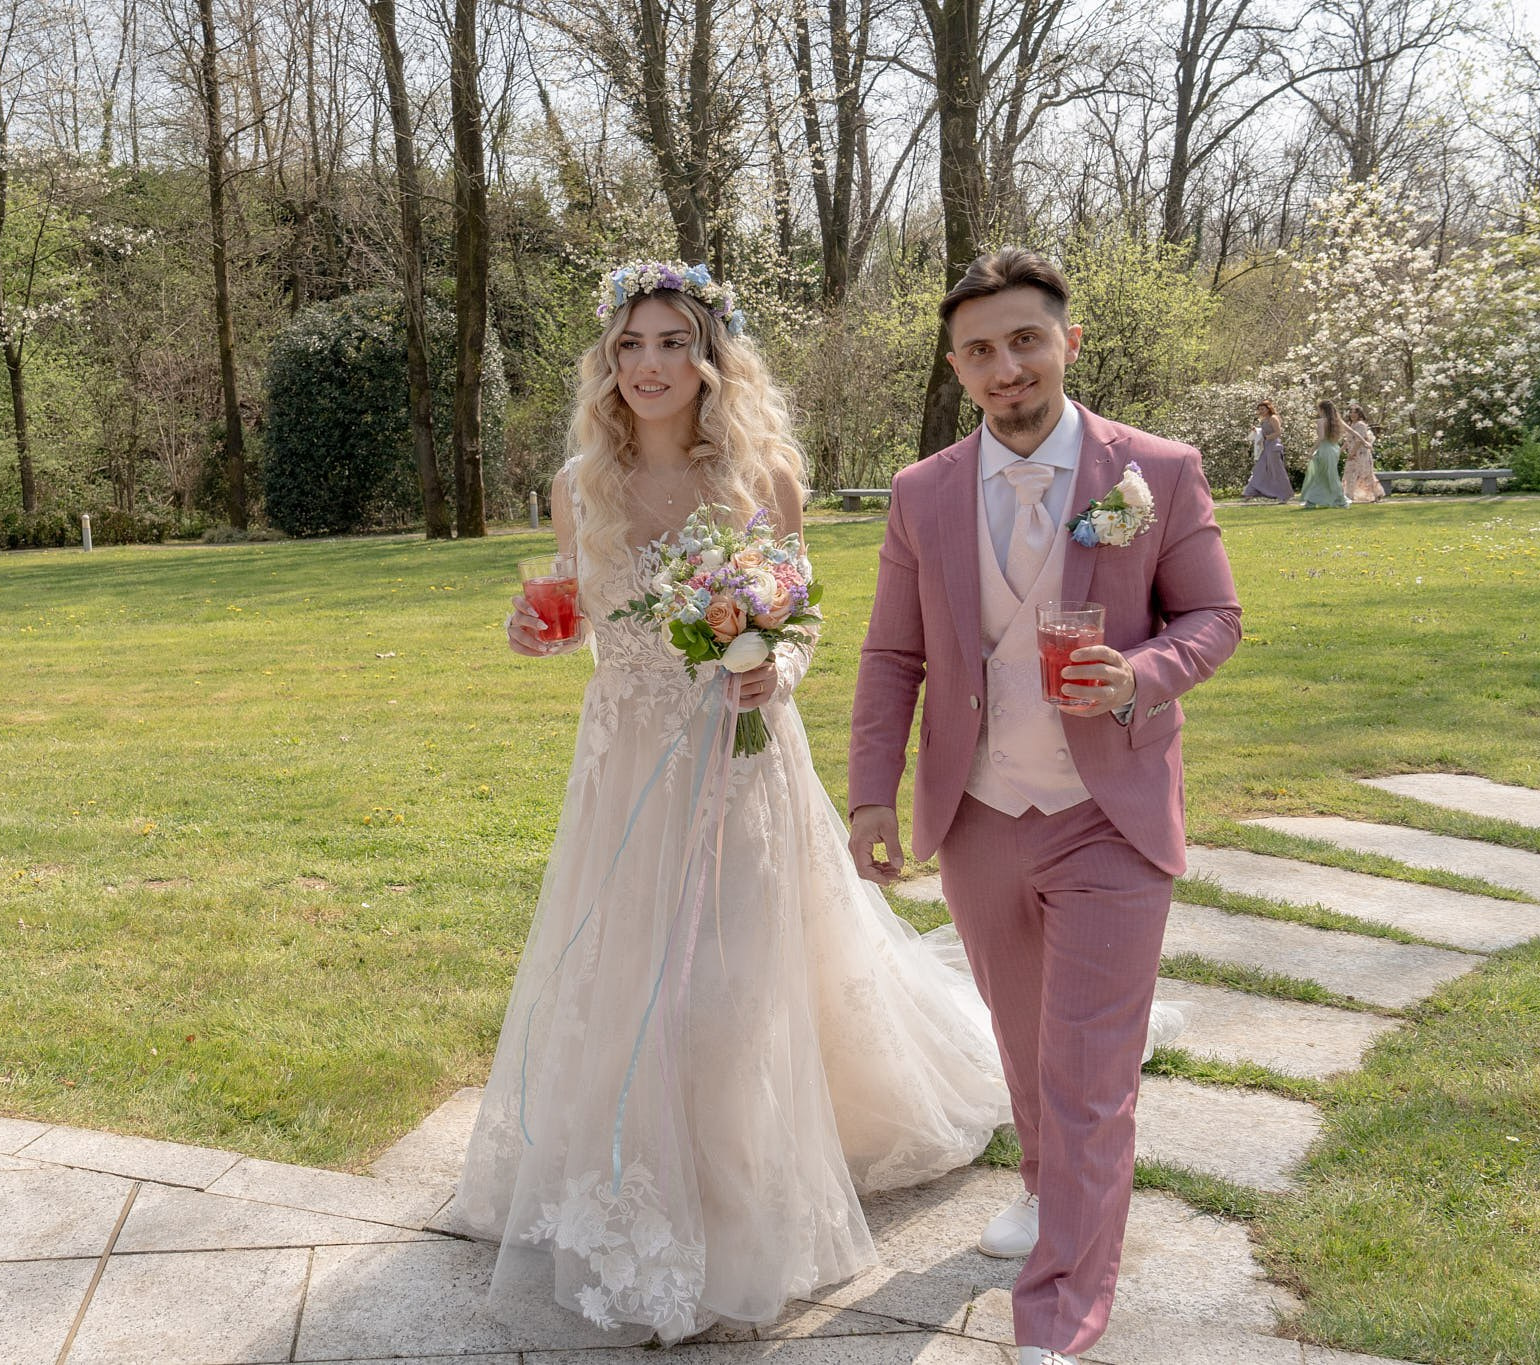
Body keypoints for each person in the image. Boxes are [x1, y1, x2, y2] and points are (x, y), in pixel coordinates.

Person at [445, 262, 1011, 1342]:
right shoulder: (577, 484)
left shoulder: (763, 476)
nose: (648, 365)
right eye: (629, 345)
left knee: (730, 981)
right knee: (625, 974)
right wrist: (530, 632)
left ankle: (731, 1201)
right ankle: (629, 1177)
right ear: (606, 362)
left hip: (738, 757)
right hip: (622, 768)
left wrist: (776, 668)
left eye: (672, 342)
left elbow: (800, 619)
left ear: (710, 359)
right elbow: (573, 612)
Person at [846, 247, 1240, 1365]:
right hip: (978, 814)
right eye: (979, 349)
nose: (1005, 365)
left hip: (1108, 812)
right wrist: (871, 796)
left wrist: (1139, 675)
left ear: (1067, 341)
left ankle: (1059, 1314)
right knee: (1024, 1045)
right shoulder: (922, 492)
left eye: (1025, 339)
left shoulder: (1154, 472)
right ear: (955, 367)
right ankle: (1039, 1184)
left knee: (1090, 1077)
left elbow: (1212, 617)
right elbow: (891, 655)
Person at [1300, 400, 1351, 508]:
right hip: (1334, 450)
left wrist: (1311, 450)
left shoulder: (1321, 421)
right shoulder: (1337, 421)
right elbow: (1352, 432)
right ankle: (1313, 501)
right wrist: (1364, 442)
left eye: (1318, 409)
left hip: (1324, 450)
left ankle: (1339, 501)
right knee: (1327, 475)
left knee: (1322, 475)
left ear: (1322, 409)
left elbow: (1321, 437)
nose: (1318, 411)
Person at [1242, 400, 1292, 501]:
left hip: (1274, 447)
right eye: (1259, 409)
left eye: (1263, 409)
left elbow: (1278, 432)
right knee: (1259, 469)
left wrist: (1266, 438)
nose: (1261, 411)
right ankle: (1250, 492)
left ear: (1268, 409)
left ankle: (1284, 495)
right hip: (1265, 448)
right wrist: (1256, 430)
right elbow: (1264, 431)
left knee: (1277, 471)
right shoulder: (1263, 420)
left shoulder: (1273, 418)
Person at [1341, 403, 1384, 503]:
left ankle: (1372, 495)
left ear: (1359, 414)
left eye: (1355, 413)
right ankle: (1350, 495)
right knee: (1350, 473)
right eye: (1351, 412)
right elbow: (1348, 441)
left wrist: (1352, 453)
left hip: (1361, 453)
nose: (1352, 414)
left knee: (1363, 473)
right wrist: (1340, 451)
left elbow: (1359, 441)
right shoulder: (1351, 425)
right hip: (1353, 453)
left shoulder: (1361, 425)